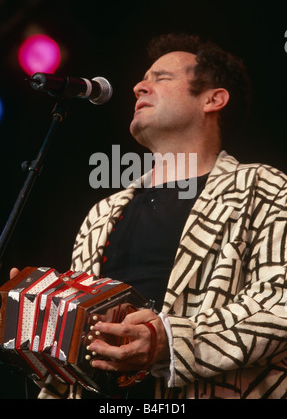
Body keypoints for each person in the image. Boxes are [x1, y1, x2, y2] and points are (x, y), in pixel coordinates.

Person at [12, 33, 287, 399]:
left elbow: (278, 302)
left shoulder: (263, 187)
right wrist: (38, 328)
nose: (139, 86)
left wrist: (168, 341)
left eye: (161, 78)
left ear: (213, 99)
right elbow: (85, 355)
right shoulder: (101, 215)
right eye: (144, 79)